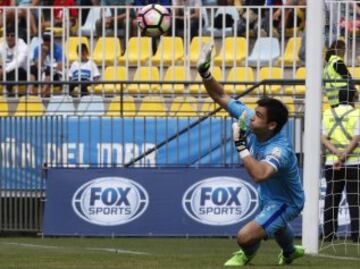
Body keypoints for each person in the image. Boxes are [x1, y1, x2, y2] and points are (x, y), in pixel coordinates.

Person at [197, 42, 305, 266]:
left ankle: (246, 255)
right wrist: (205, 73)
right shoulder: (253, 122)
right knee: (277, 226)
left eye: (257, 115)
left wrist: (240, 145)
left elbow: (260, 174)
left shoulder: (280, 150)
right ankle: (291, 252)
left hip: (287, 202)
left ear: (272, 125)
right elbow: (221, 96)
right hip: (268, 195)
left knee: (244, 237)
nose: (250, 117)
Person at [321, 88, 360, 243]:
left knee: (331, 198)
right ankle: (356, 235)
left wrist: (337, 154)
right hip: (353, 162)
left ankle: (329, 235)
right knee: (354, 199)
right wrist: (344, 157)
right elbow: (356, 138)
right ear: (352, 98)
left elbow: (323, 138)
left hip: (331, 161)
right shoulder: (357, 114)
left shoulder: (327, 113)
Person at [323, 39, 355, 108]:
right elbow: (348, 79)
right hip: (343, 98)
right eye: (344, 49)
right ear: (338, 49)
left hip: (333, 101)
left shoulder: (328, 64)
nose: (344, 51)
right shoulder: (337, 62)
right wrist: (355, 92)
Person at [0, 24, 28, 96]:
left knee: (15, 70)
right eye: (7, 35)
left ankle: (6, 93)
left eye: (12, 35)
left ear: (17, 37)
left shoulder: (23, 46)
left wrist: (5, 70)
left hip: (22, 73)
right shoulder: (2, 45)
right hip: (5, 72)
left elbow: (18, 62)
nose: (9, 37)